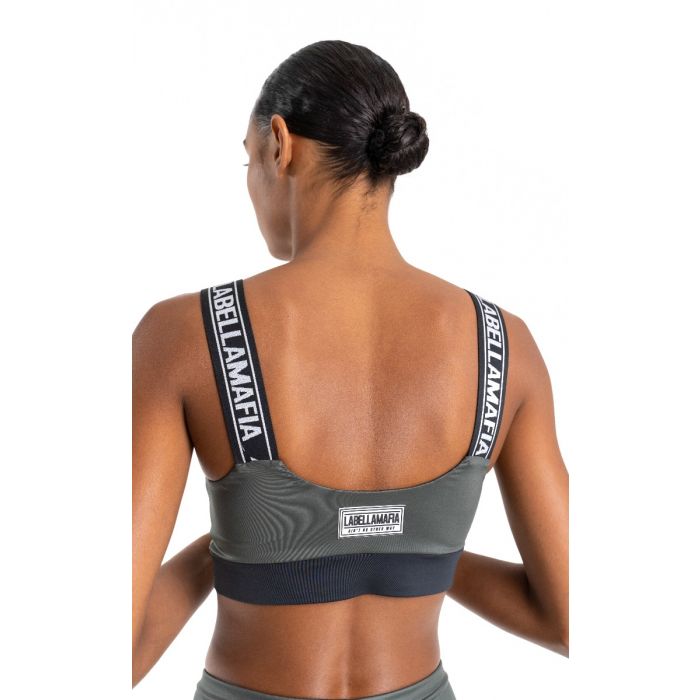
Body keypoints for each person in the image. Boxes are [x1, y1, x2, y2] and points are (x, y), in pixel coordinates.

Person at [132, 39, 568, 699]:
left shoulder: (185, 334)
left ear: (280, 144)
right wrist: (411, 545)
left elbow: (116, 645)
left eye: (248, 158)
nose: (250, 182)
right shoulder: (504, 343)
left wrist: (232, 546)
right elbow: (569, 618)